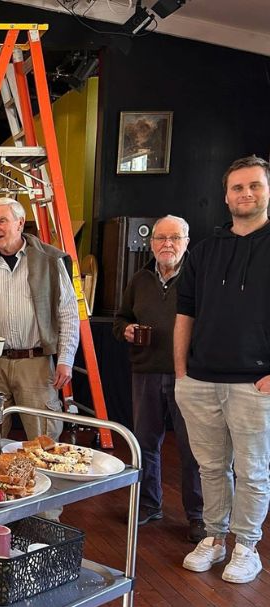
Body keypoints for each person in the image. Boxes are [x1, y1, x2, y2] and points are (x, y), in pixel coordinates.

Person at [176, 155, 270, 584]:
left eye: (254, 186)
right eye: (237, 187)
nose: (246, 194)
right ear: (225, 196)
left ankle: (247, 547)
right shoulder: (204, 252)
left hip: (256, 384)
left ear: (266, 191)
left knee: (252, 471)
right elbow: (185, 315)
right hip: (200, 381)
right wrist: (181, 373)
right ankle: (214, 539)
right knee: (211, 469)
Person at [112, 215, 204, 540]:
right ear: (151, 243)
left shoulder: (199, 277)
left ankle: (198, 517)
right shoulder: (139, 279)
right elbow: (119, 317)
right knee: (145, 443)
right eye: (161, 238)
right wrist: (126, 329)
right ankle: (150, 505)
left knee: (193, 449)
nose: (167, 244)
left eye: (175, 238)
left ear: (186, 242)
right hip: (146, 371)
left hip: (188, 376)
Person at [0, 197, 79, 440]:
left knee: (43, 442)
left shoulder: (51, 262)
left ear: (20, 223)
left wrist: (65, 359)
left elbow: (68, 313)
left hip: (35, 364)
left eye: (2, 221)